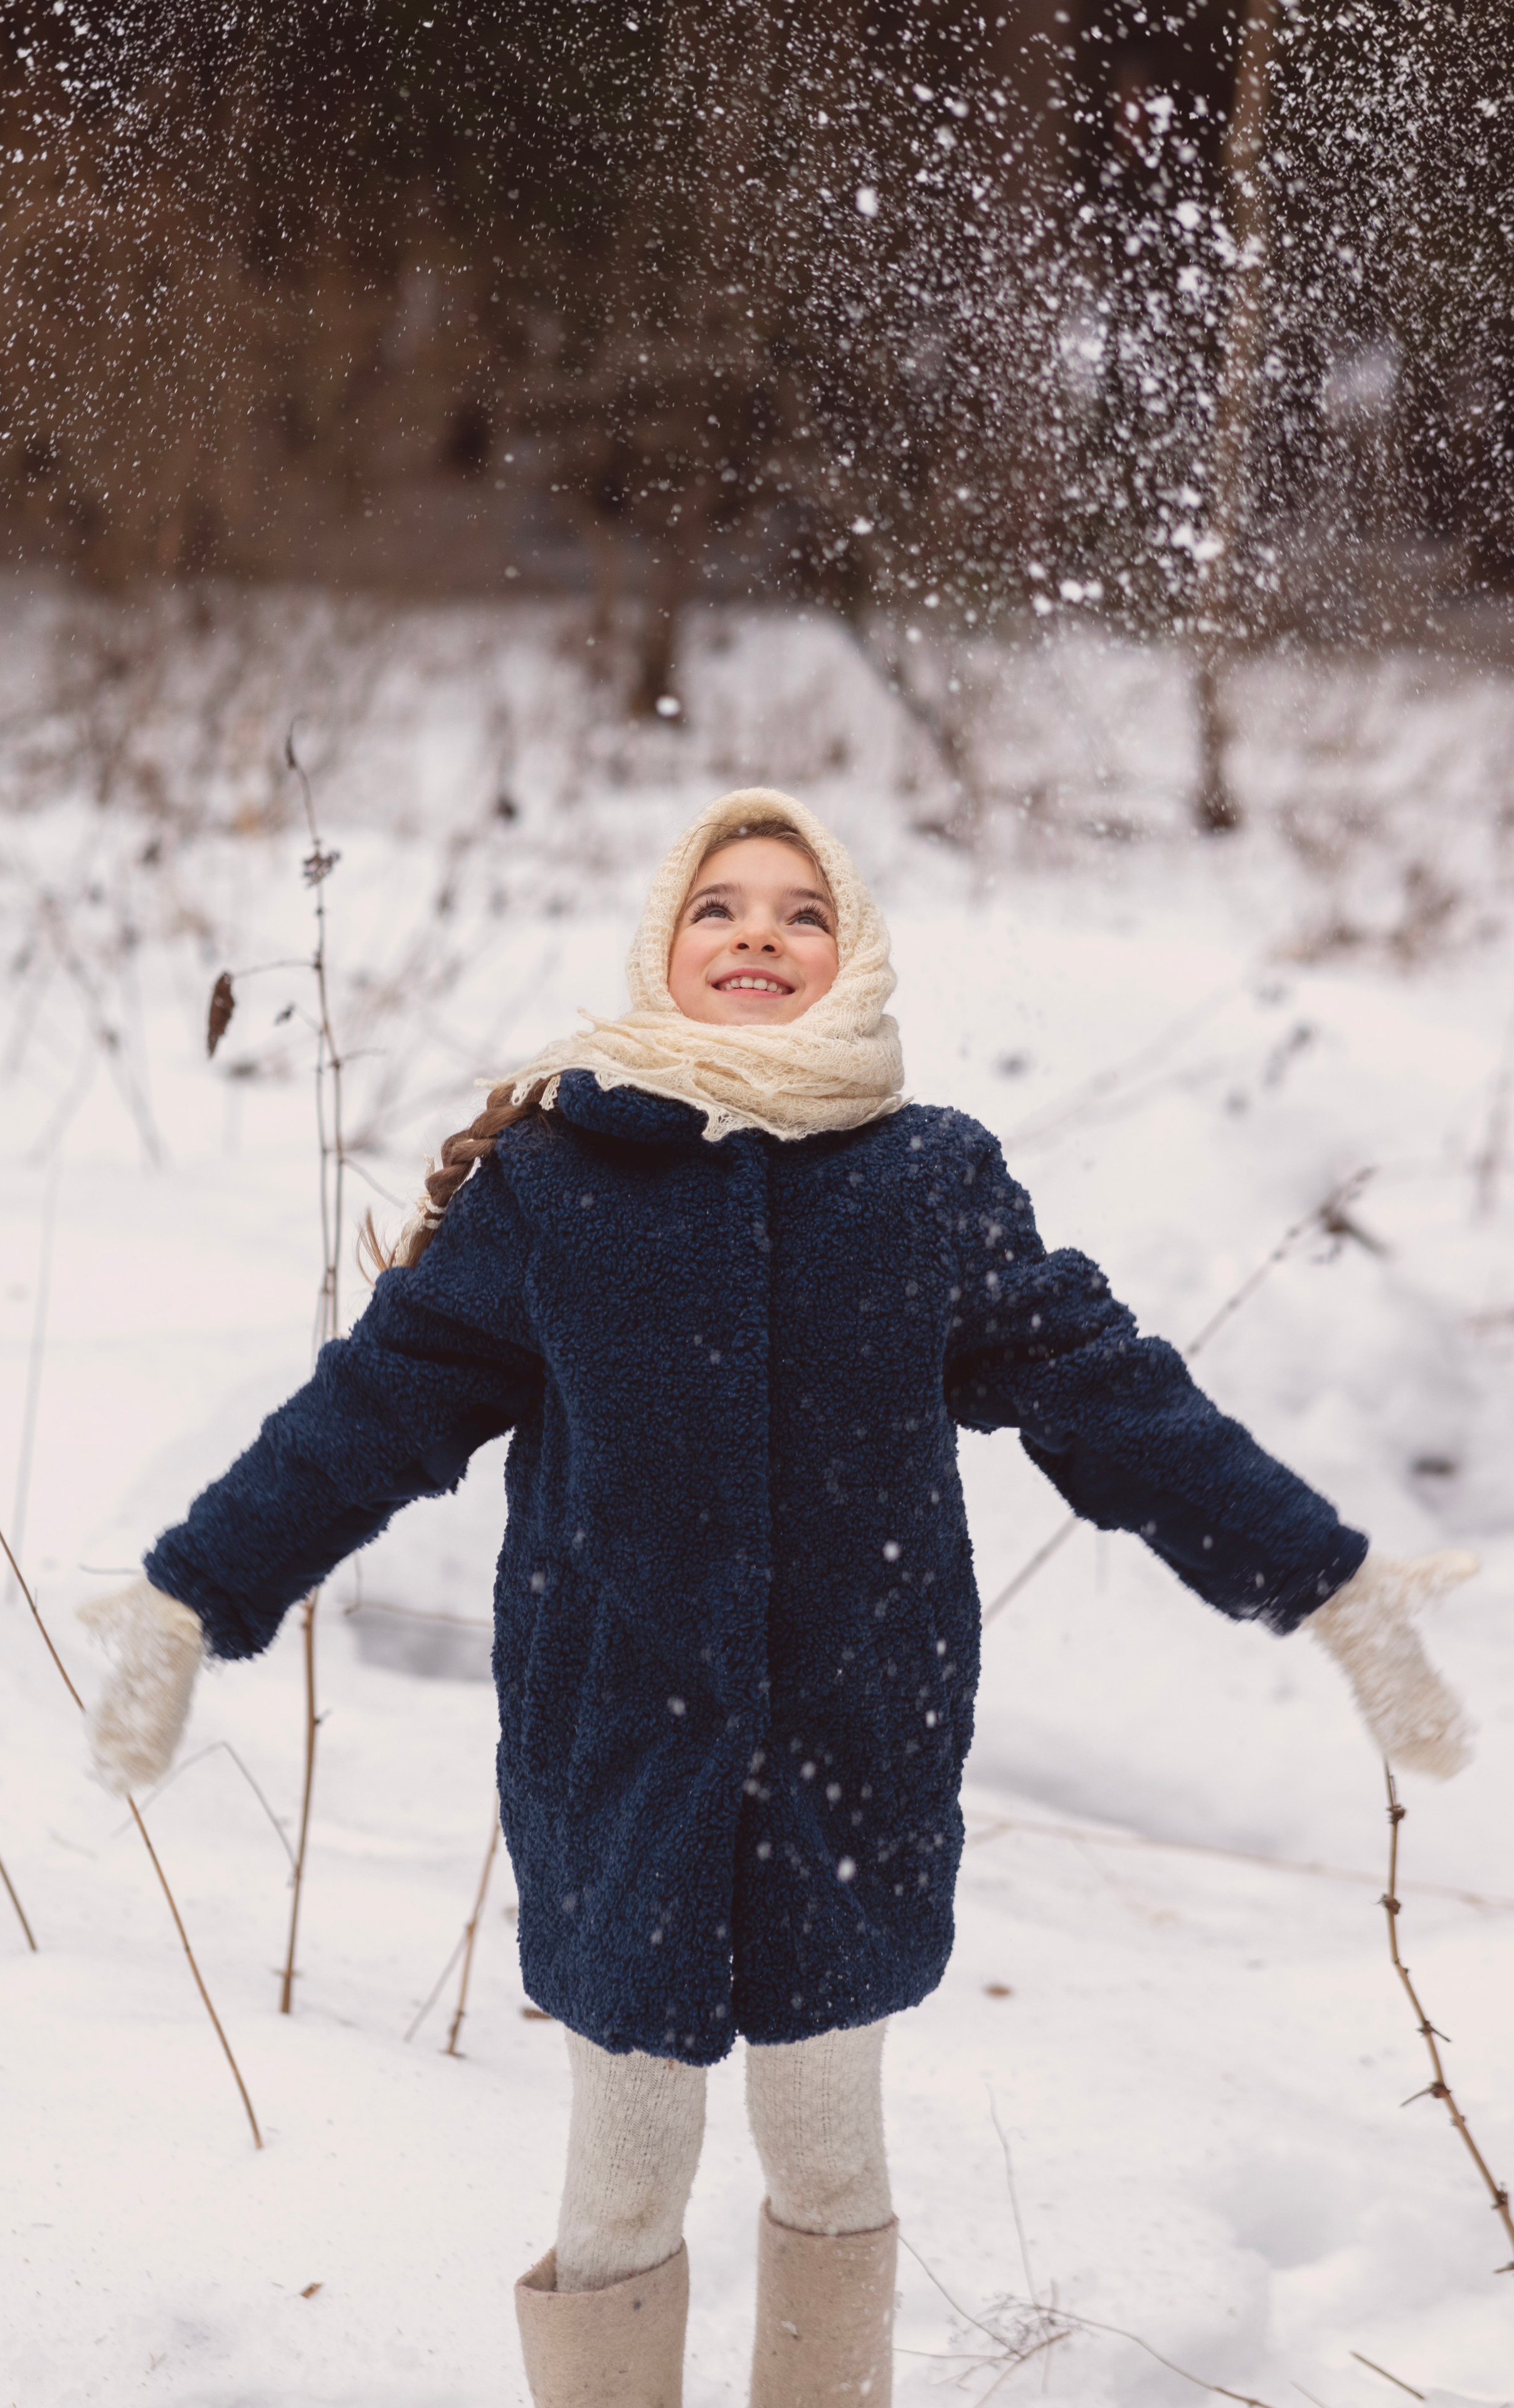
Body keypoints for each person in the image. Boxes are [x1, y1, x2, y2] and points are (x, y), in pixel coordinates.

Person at [80, 788, 1476, 2408]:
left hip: (853, 1750)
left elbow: (1114, 1403)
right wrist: (199, 1587)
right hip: (621, 1755)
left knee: (828, 2145)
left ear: (857, 954)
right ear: (664, 947)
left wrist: (1326, 1579)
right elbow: (374, 1408)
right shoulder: (557, 1183)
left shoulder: (929, 1182)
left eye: (804, 912)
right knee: (626, 2161)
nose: (761, 933)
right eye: (721, 906)